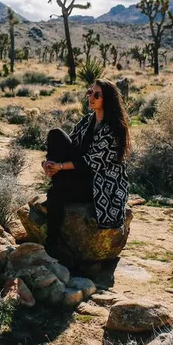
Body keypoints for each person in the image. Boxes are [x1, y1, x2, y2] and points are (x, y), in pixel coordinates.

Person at [42, 78, 131, 261]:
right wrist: (47, 163)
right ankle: (55, 176)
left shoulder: (114, 129)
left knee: (56, 193)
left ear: (107, 99)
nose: (91, 97)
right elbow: (70, 146)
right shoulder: (87, 121)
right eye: (90, 92)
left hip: (98, 181)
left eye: (97, 95)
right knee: (56, 134)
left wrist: (59, 167)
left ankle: (52, 246)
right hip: (78, 173)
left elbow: (93, 162)